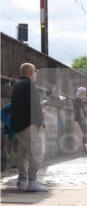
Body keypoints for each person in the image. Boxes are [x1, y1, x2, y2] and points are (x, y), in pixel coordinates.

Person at [11, 63, 47, 192]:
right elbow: (34, 106)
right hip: (30, 124)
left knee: (23, 153)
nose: (36, 74)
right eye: (36, 71)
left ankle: (22, 181)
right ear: (31, 72)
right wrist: (40, 122)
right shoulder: (30, 84)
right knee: (37, 152)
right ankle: (32, 181)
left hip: (18, 125)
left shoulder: (17, 84)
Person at [73, 87, 87, 156]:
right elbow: (80, 110)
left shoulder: (80, 99)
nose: (85, 93)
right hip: (81, 118)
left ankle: (86, 148)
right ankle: (86, 149)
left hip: (83, 118)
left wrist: (85, 99)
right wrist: (84, 119)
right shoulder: (77, 99)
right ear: (82, 92)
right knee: (86, 132)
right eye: (84, 92)